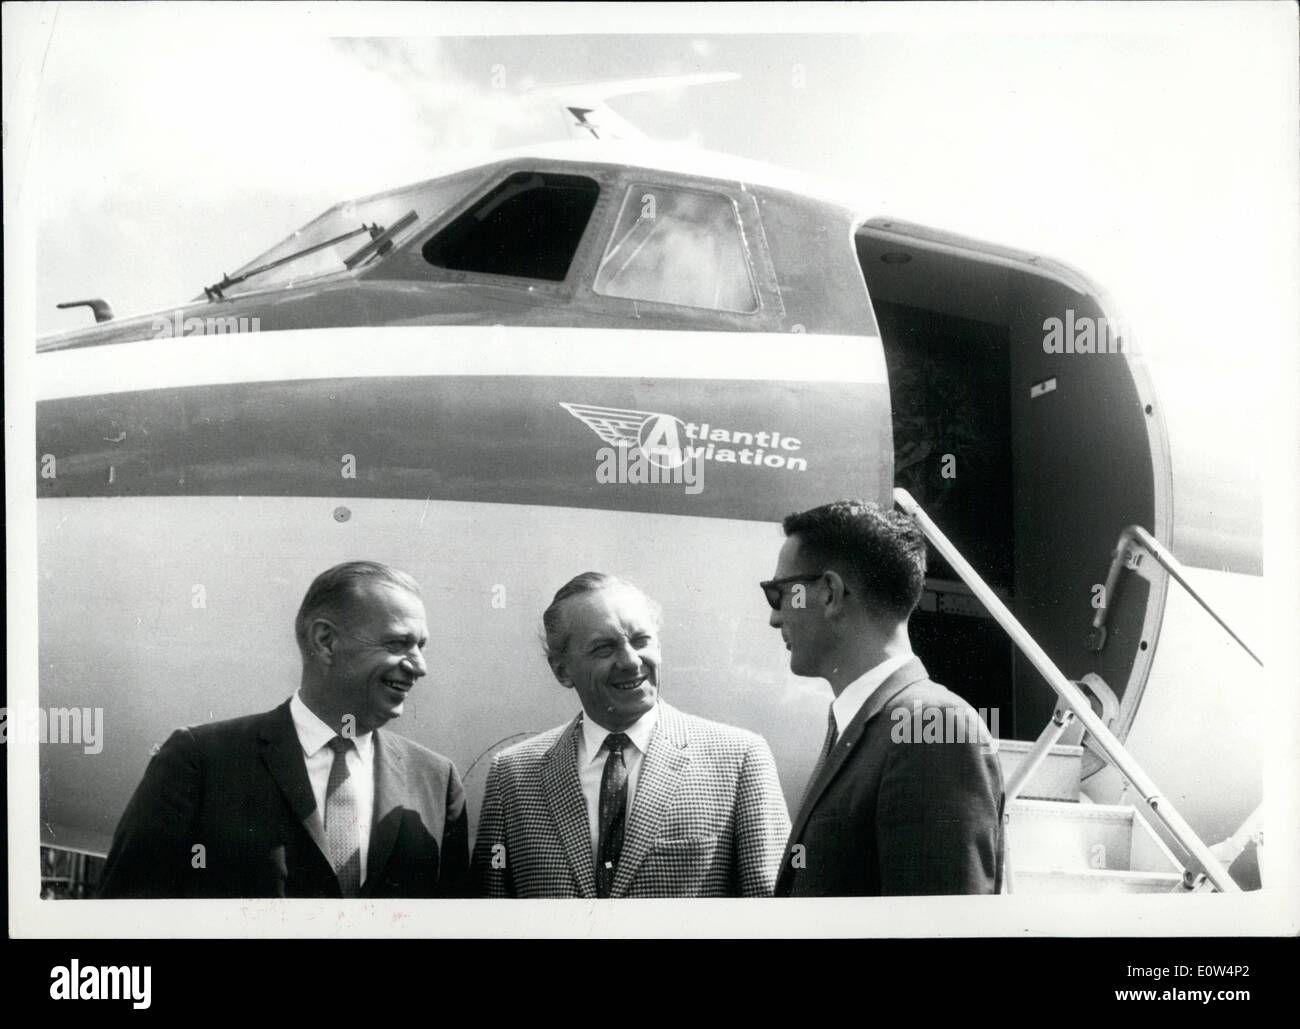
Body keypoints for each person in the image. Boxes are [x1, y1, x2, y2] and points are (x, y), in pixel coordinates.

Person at [98, 561, 469, 898]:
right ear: (325, 641)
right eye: (398, 643)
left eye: (420, 646)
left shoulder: (436, 780)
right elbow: (127, 915)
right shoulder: (200, 760)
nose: (419, 667)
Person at [471, 572, 790, 898]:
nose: (630, 660)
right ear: (562, 670)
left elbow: (771, 916)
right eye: (603, 648)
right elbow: (491, 915)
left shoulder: (738, 760)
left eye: (641, 640)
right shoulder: (512, 775)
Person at [764, 500, 1004, 896]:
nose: (775, 616)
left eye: (781, 593)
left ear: (829, 594)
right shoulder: (872, 722)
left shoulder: (934, 728)